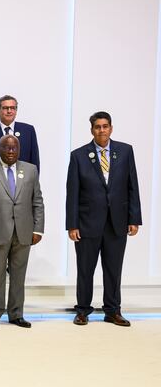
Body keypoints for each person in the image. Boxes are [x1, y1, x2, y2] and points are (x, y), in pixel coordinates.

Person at [66, 111, 141, 326]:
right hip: (87, 223)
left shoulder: (125, 151)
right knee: (85, 269)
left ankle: (112, 310)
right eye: (97, 127)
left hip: (117, 222)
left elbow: (132, 186)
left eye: (105, 126)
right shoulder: (79, 155)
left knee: (113, 269)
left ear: (111, 128)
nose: (101, 130)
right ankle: (82, 310)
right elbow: (72, 192)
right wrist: (72, 224)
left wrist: (134, 218)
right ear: (91, 130)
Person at [0, 135, 44, 329]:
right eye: (7, 148)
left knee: (19, 276)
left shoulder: (30, 170)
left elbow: (37, 201)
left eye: (14, 148)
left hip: (24, 232)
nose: (11, 151)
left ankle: (16, 314)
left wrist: (38, 228)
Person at [0, 95, 39, 175]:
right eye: (5, 108)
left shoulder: (28, 131)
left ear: (16, 111)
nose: (9, 111)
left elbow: (34, 161)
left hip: (23, 184)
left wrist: (33, 184)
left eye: (12, 108)